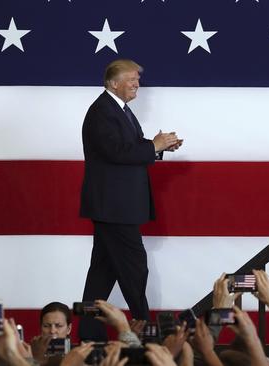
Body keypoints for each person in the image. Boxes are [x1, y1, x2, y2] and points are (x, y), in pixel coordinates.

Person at [79, 59, 182, 340]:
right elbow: (116, 153)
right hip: (114, 208)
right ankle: (147, 335)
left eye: (137, 79)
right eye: (131, 79)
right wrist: (153, 146)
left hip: (115, 207)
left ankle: (88, 338)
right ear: (113, 83)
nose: (137, 84)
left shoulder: (119, 110)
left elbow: (128, 150)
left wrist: (158, 148)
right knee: (134, 268)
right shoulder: (102, 111)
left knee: (101, 276)